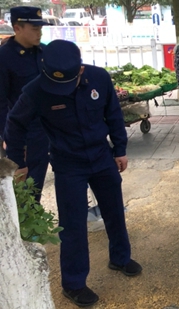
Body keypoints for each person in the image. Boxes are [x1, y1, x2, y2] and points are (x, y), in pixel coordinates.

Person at [3, 40, 142, 307]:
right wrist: (18, 162)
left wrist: (120, 149)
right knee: (73, 224)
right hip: (68, 164)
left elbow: (113, 113)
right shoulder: (37, 90)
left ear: (79, 70)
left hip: (101, 156)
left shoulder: (99, 78)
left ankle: (120, 258)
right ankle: (74, 283)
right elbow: (15, 123)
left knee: (114, 210)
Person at [0, 6, 51, 202]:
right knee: (27, 183)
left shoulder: (44, 52)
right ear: (17, 28)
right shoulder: (4, 57)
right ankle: (28, 227)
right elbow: (1, 102)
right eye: (34, 29)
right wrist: (8, 137)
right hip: (25, 132)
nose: (39, 33)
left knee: (42, 177)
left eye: (40, 29)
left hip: (50, 127)